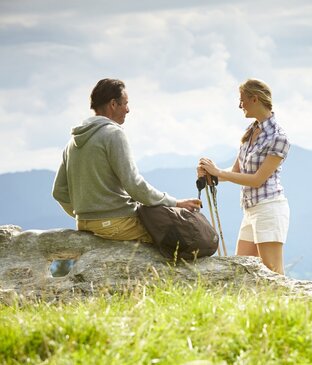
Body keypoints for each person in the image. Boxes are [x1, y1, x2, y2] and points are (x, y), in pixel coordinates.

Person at [53, 78, 200, 242]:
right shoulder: (113, 134)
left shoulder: (72, 142)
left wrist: (87, 213)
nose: (128, 110)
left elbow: (59, 192)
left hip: (84, 224)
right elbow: (134, 184)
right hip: (117, 224)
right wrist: (175, 203)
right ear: (113, 104)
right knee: (181, 237)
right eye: (125, 103)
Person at [198, 79, 290, 274]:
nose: (240, 105)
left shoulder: (278, 137)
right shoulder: (250, 132)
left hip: (268, 208)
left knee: (273, 273)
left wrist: (219, 172)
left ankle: (286, 305)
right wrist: (210, 174)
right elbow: (237, 171)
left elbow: (257, 179)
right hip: (250, 211)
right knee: (242, 271)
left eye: (242, 100)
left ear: (254, 99)